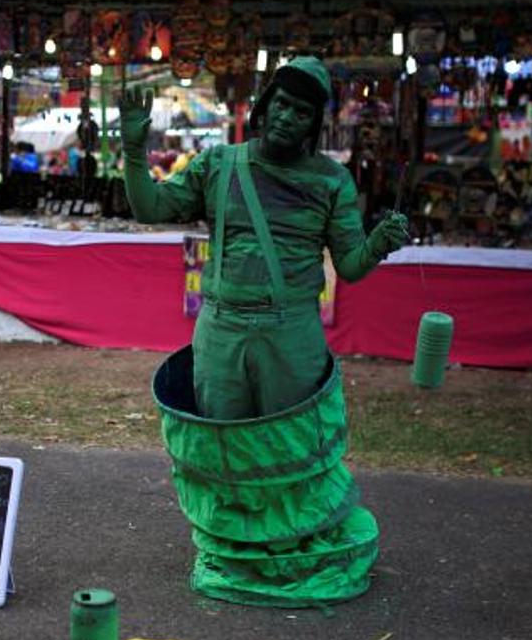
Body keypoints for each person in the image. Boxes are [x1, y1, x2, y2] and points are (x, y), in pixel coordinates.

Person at [120, 56, 408, 418]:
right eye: (282, 104)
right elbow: (151, 209)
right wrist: (133, 152)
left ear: (313, 125)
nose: (287, 117)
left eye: (301, 112)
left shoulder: (332, 181)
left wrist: (378, 244)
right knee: (221, 450)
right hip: (222, 333)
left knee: (288, 450)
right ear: (265, 105)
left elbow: (349, 266)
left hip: (292, 337)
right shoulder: (217, 163)